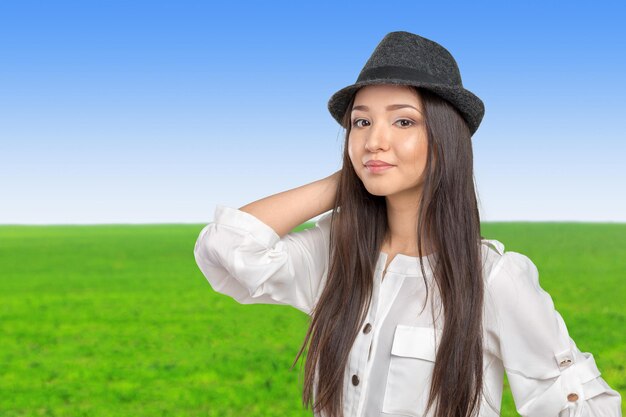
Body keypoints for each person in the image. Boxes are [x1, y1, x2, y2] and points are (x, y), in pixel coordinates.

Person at [193, 31, 622, 417]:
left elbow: (580, 407)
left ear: (445, 140)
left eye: (403, 121)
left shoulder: (494, 279)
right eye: (361, 122)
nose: (374, 139)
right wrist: (349, 177)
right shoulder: (336, 251)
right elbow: (228, 249)